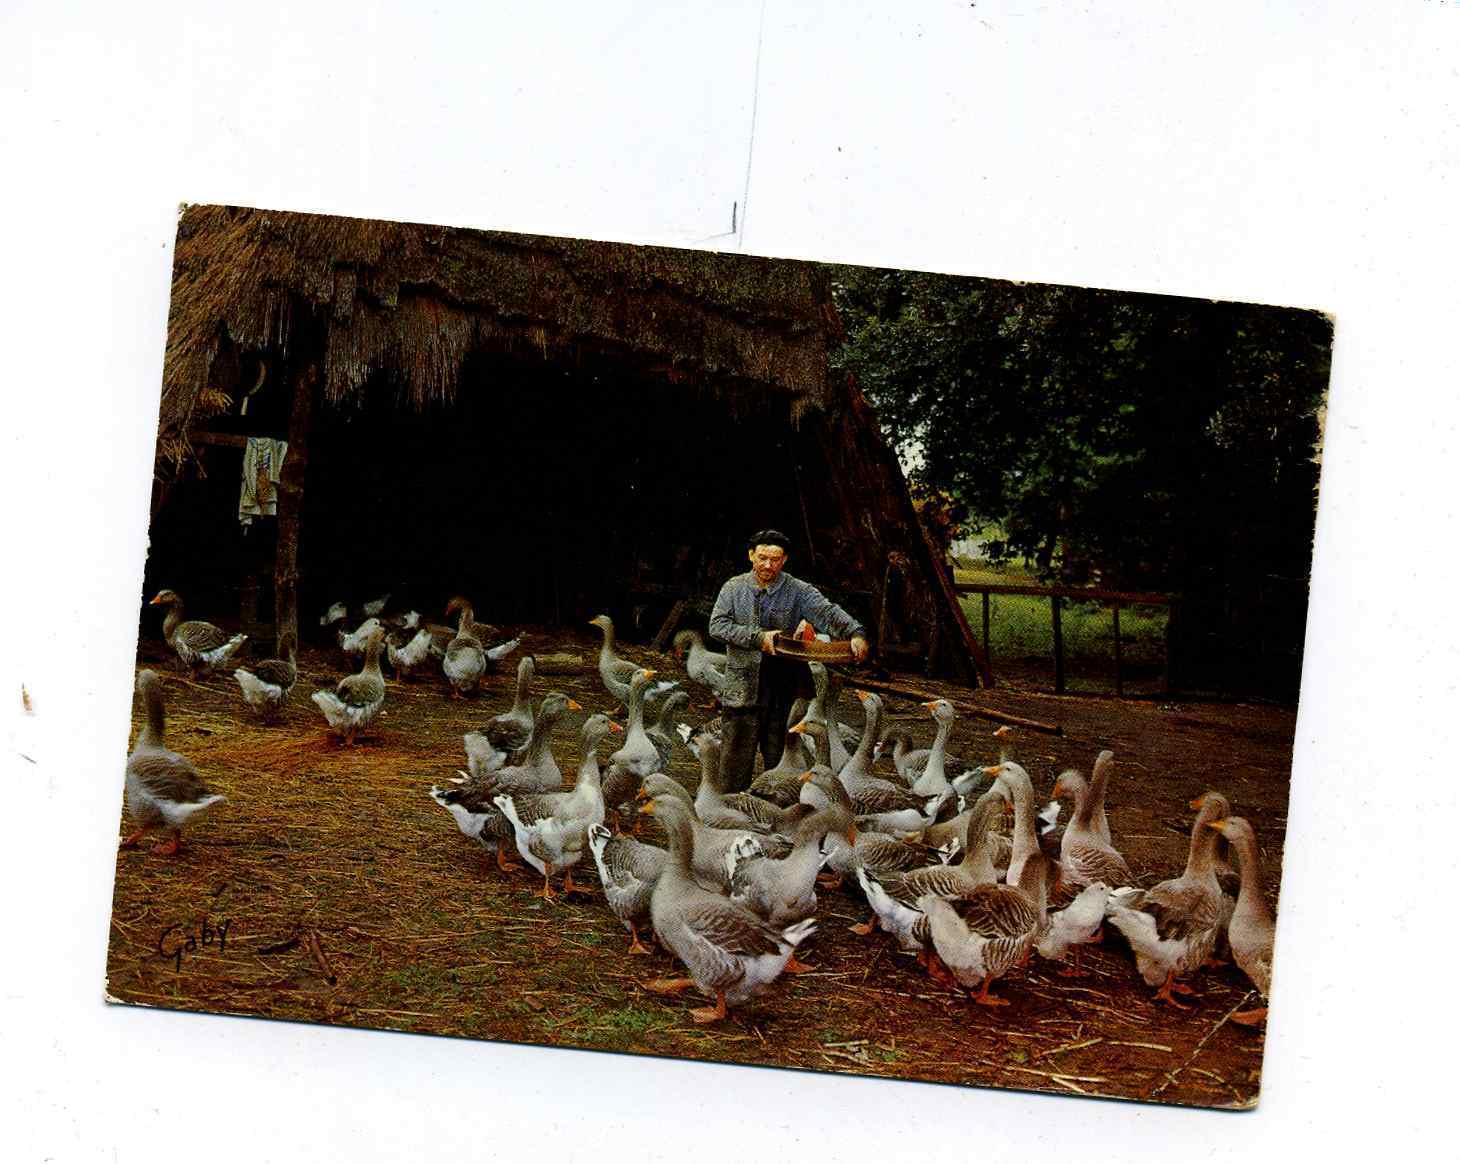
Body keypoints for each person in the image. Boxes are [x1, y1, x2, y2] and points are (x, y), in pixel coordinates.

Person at [708, 529, 869, 793]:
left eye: (774, 559)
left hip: (783, 688)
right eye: (762, 558)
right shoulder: (733, 588)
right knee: (734, 761)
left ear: (784, 560)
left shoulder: (797, 590)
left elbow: (828, 612)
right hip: (743, 684)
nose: (767, 565)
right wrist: (758, 638)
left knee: (782, 760)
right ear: (751, 556)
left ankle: (775, 815)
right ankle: (730, 810)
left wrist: (856, 633)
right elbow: (717, 626)